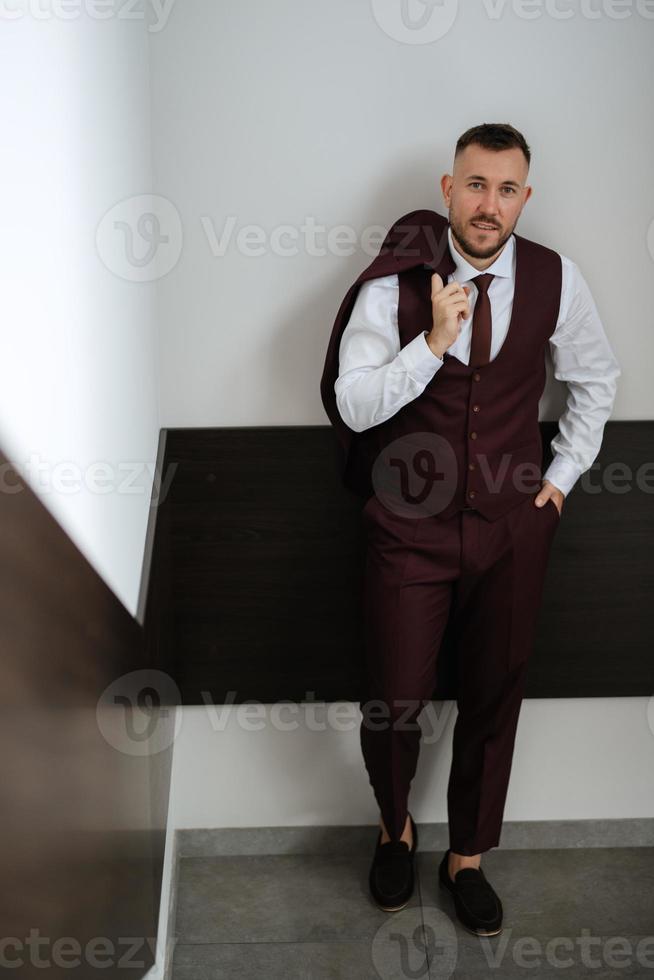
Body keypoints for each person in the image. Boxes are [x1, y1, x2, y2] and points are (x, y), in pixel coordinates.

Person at [319, 122, 621, 936]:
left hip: (511, 530)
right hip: (406, 528)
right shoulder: (396, 284)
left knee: (495, 695)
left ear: (527, 196)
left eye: (508, 188)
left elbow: (597, 382)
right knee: (394, 698)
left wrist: (556, 485)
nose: (491, 205)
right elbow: (352, 404)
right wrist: (431, 344)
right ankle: (395, 829)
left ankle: (468, 858)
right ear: (448, 188)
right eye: (477, 185)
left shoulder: (558, 279)